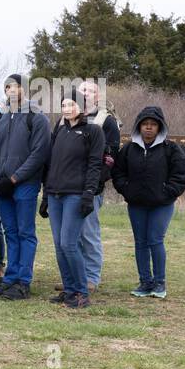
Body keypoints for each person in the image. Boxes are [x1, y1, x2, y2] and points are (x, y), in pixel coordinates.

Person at [112, 106, 185, 299]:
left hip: (161, 204)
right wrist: (127, 190)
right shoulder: (129, 148)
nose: (148, 128)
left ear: (159, 127)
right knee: (140, 242)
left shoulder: (172, 149)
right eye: (145, 124)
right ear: (139, 127)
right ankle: (145, 282)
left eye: (153, 125)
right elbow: (118, 173)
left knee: (155, 240)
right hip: (137, 203)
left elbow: (182, 175)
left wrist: (167, 192)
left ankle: (159, 283)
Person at [0, 74, 50, 300]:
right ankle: (10, 278)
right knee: (10, 232)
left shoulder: (37, 118)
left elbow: (39, 154)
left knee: (25, 232)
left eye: (16, 86)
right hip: (2, 186)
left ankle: (24, 281)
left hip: (25, 185)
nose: (11, 90)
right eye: (7, 87)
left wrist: (14, 178)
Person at [40, 91, 104, 310]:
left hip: (76, 195)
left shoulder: (93, 131)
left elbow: (96, 165)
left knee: (69, 243)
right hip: (56, 194)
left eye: (71, 104)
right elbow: (51, 165)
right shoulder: (59, 132)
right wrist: (46, 195)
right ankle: (69, 290)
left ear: (82, 107)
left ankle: (81, 293)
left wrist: (88, 194)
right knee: (59, 245)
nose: (67, 108)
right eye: (64, 104)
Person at [78, 80, 120, 294]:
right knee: (71, 236)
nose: (84, 94)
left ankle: (91, 277)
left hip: (92, 187)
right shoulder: (68, 119)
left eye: (89, 90)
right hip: (68, 186)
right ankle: (76, 277)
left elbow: (111, 157)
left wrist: (95, 183)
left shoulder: (107, 121)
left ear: (98, 96)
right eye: (81, 90)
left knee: (88, 232)